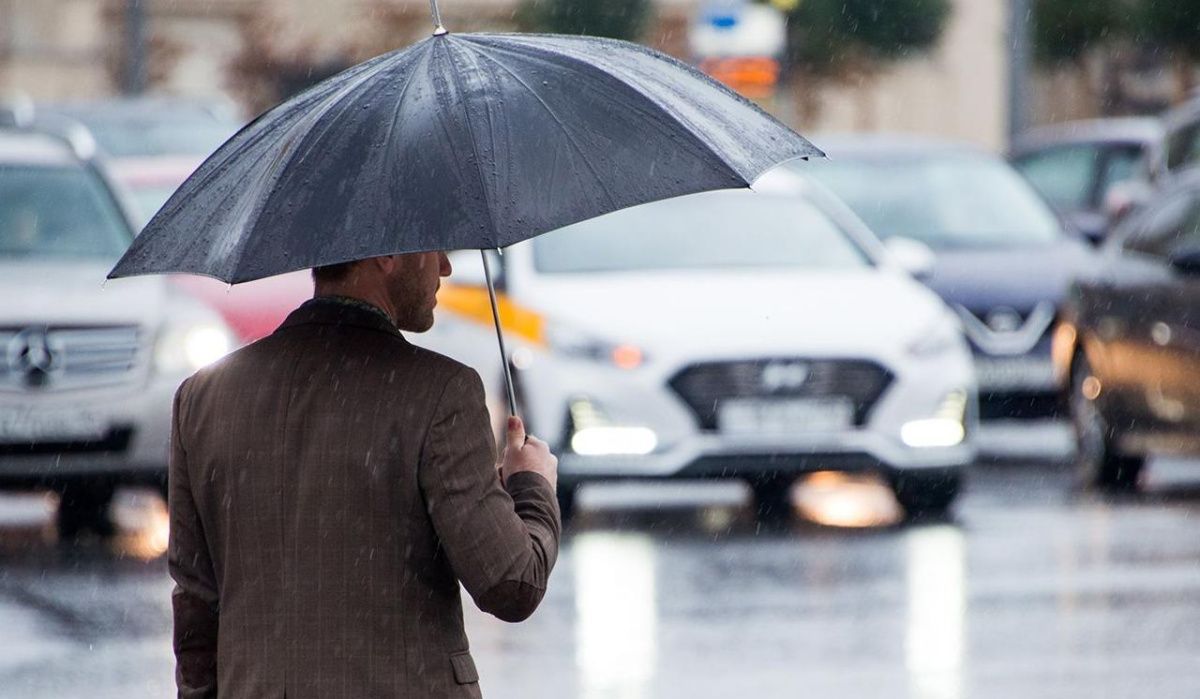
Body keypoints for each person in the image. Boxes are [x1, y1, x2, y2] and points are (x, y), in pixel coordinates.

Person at [167, 251, 561, 698]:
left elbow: (196, 607)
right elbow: (511, 584)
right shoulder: (439, 393)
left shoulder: (203, 399)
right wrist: (532, 485)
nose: (446, 267)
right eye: (434, 248)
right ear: (389, 256)